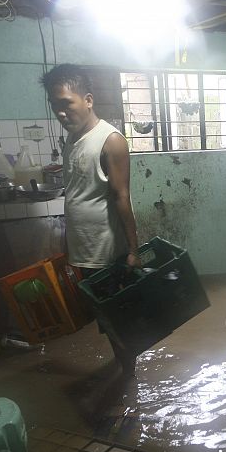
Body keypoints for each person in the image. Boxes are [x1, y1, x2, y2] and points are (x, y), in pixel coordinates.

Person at [41, 64, 141, 382]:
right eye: (54, 106)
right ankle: (123, 372)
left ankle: (128, 384)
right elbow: (77, 193)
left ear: (87, 99)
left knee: (116, 316)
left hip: (105, 249)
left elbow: (121, 197)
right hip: (83, 247)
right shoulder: (72, 138)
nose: (60, 112)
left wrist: (134, 250)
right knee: (103, 315)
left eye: (65, 103)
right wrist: (67, 239)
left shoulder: (110, 140)